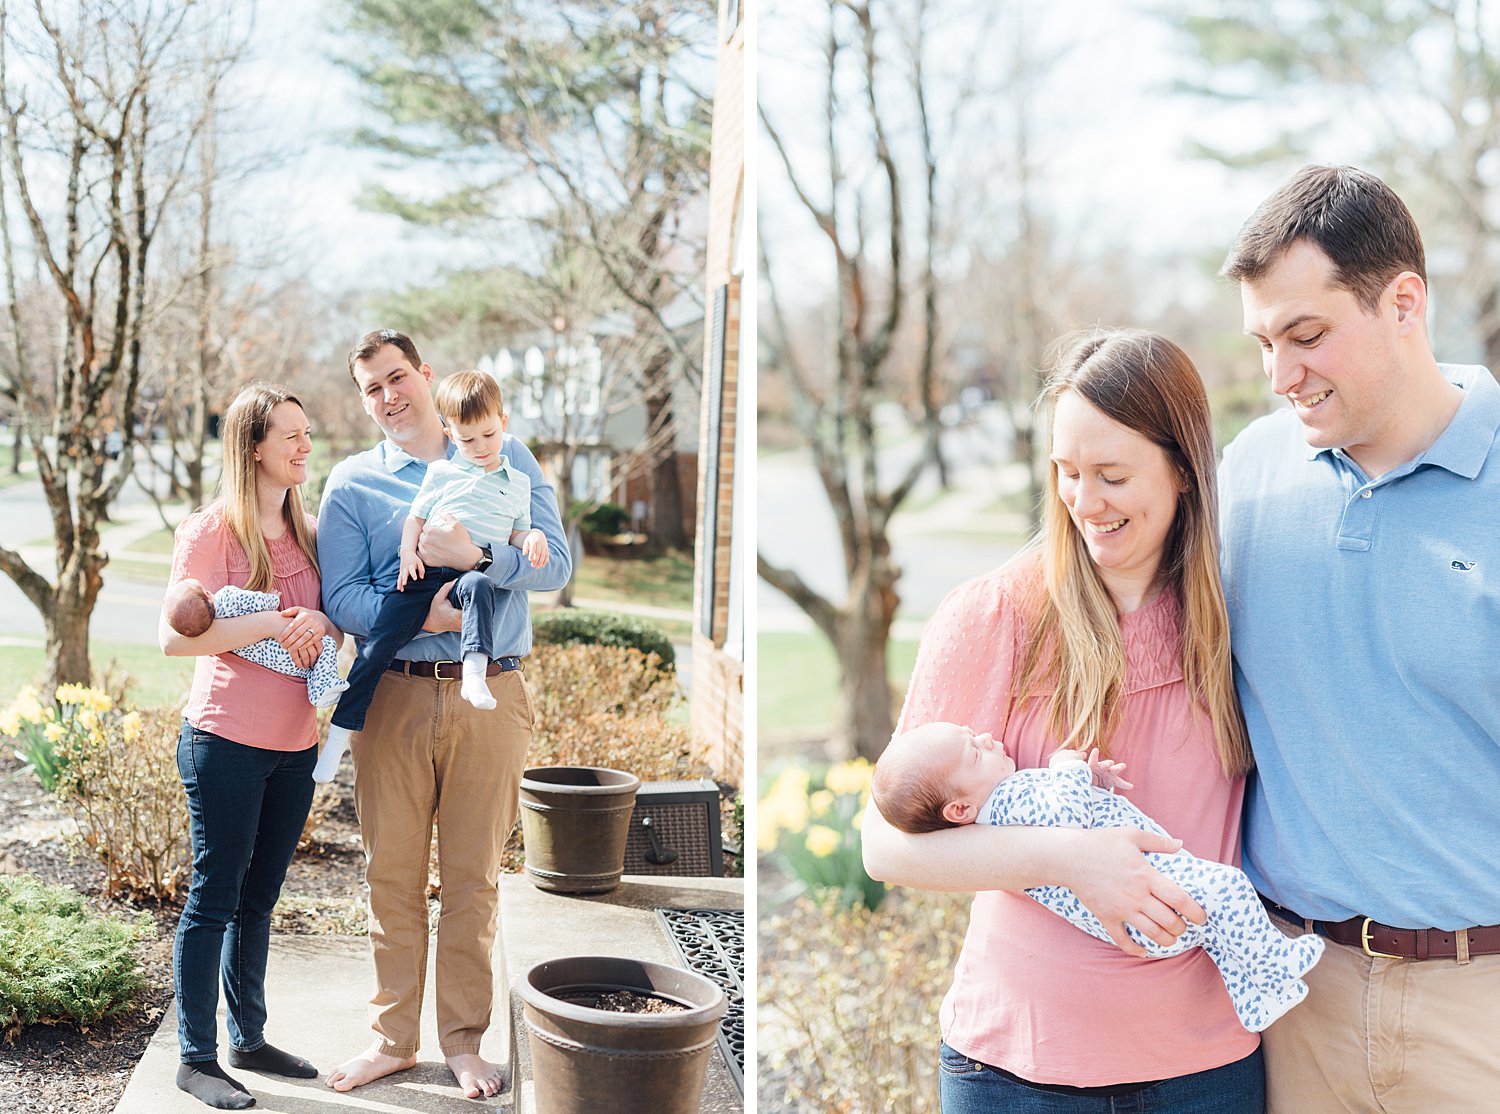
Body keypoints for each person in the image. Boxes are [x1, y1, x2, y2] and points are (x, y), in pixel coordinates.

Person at [862, 330, 1266, 1111]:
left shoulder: (1234, 615)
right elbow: (883, 845)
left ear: (1183, 470)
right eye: (1068, 472)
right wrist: (1072, 859)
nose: (1084, 502)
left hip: (1207, 1068)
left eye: (1112, 475)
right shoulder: (997, 614)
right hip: (1021, 1072)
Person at [1218, 164, 1500, 1112]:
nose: (1280, 374)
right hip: (1292, 1000)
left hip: (1482, 1007)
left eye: (1307, 335)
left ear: (1404, 304)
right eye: (1263, 342)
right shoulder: (1250, 473)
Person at [317, 330, 570, 1099]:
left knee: (473, 880)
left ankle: (464, 1043)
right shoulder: (353, 483)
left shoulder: (505, 452)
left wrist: (477, 559)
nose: (389, 396)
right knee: (389, 875)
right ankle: (392, 1040)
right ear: (363, 400)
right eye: (372, 388)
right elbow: (342, 597)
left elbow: (554, 564)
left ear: (426, 377)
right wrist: (426, 614)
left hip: (490, 689)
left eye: (398, 378)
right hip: (392, 692)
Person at [872, 722, 1323, 1032]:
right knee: (1229, 888)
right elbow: (1068, 817)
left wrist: (1093, 780)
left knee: (1218, 933)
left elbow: (1078, 812)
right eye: (974, 750)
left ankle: (1257, 997)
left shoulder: (1000, 819)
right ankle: (1274, 962)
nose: (988, 738)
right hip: (1148, 893)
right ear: (960, 810)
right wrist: (1067, 766)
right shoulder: (1006, 804)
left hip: (1141, 906)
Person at [159, 383, 337, 1110]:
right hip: (224, 742)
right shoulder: (212, 533)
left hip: (295, 745)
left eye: (305, 432)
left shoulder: (311, 530)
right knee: (214, 898)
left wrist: (318, 627)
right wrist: (274, 624)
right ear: (252, 447)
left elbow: (332, 625)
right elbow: (175, 636)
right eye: (289, 435)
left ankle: (249, 1038)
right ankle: (196, 1059)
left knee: (258, 900)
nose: (304, 445)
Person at [312, 370, 548, 783]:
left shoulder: (518, 481)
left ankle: (475, 673)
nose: (479, 448)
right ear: (451, 433)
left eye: (489, 437)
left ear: (503, 425)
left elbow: (520, 532)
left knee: (478, 588)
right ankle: (336, 738)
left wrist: (531, 539)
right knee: (377, 644)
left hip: (471, 575)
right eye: (467, 440)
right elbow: (414, 520)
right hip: (422, 577)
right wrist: (407, 557)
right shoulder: (441, 473)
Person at [163, 578, 348, 708]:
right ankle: (323, 687)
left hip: (269, 658)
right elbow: (257, 602)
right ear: (207, 594)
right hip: (281, 648)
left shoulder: (217, 627)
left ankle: (319, 686)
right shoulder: (227, 597)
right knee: (327, 645)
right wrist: (272, 597)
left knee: (309, 665)